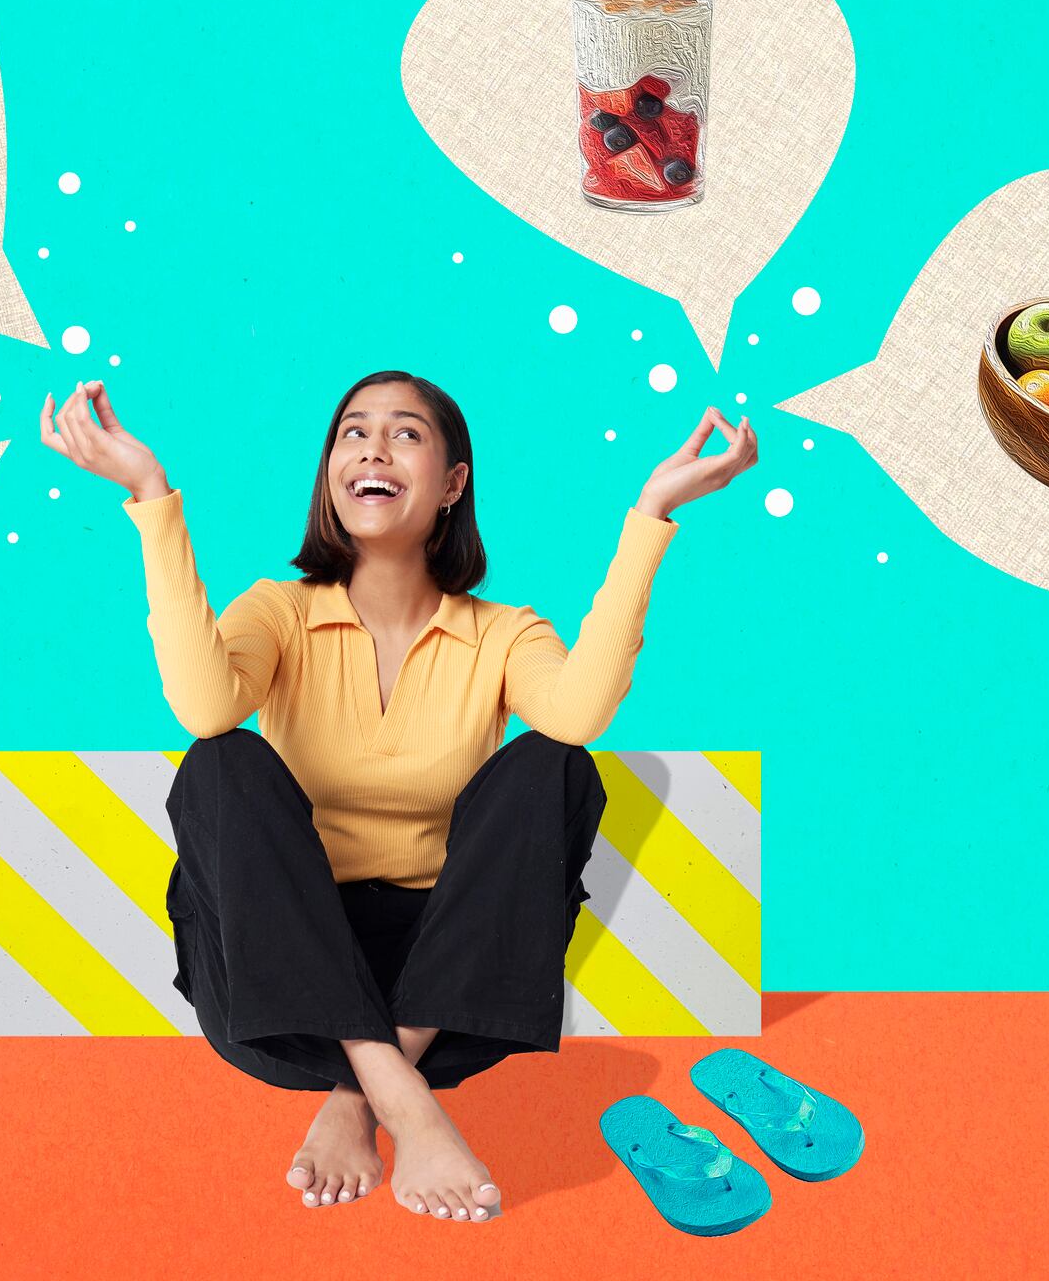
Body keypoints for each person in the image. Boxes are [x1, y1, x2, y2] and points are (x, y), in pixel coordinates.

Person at [41, 369, 757, 1222]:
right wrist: (151, 497)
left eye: (406, 433)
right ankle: (403, 1100)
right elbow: (203, 708)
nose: (373, 448)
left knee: (554, 764)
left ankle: (360, 1095)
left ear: (453, 482)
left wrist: (649, 516)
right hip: (275, 997)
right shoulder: (277, 612)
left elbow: (580, 714)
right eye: (353, 431)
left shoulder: (503, 633)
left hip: (448, 998)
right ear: (331, 472)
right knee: (220, 759)